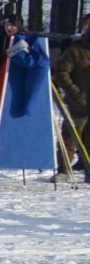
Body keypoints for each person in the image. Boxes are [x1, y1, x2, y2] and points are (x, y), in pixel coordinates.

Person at [52, 15, 90, 182]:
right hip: (78, 104)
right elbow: (61, 73)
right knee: (69, 137)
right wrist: (75, 93)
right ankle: (64, 170)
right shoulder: (75, 50)